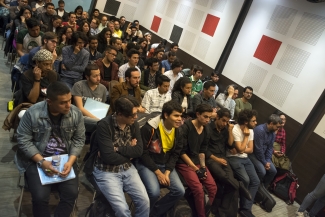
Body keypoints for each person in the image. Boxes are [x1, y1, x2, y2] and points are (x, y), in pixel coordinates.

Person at [15, 81, 85, 217]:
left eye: (69, 100)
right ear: (49, 102)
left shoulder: (75, 114)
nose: (68, 105)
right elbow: (23, 140)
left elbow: (79, 140)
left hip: (65, 157)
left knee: (71, 194)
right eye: (63, 102)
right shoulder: (33, 113)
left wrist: (70, 161)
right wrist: (42, 162)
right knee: (40, 197)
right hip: (38, 158)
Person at [92, 95, 150, 217]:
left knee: (144, 202)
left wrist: (117, 149)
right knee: (122, 210)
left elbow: (139, 151)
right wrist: (129, 153)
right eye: (132, 115)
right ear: (119, 114)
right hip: (107, 170)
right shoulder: (104, 125)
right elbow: (108, 157)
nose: (136, 117)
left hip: (128, 168)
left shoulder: (133, 124)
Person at [137, 100, 185, 216]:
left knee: (179, 191)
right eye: (176, 115)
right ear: (166, 115)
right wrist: (159, 173)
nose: (180, 119)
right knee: (154, 193)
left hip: (165, 164)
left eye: (181, 116)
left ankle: (153, 212)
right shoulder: (149, 128)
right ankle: (143, 213)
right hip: (147, 163)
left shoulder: (178, 130)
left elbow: (175, 154)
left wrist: (167, 172)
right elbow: (142, 153)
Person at [206, 108, 252, 217]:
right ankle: (239, 185)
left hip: (223, 157)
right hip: (212, 158)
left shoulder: (226, 129)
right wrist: (217, 159)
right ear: (217, 117)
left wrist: (230, 131)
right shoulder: (208, 128)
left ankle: (224, 213)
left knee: (231, 185)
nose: (224, 123)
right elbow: (204, 149)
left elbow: (230, 145)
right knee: (225, 177)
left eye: (227, 121)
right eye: (223, 120)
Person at [176, 104, 217, 217]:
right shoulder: (186, 128)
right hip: (185, 162)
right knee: (198, 189)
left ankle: (204, 212)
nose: (208, 120)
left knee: (213, 188)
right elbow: (181, 152)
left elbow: (202, 150)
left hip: (197, 162)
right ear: (198, 114)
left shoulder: (206, 129)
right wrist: (195, 169)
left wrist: (203, 167)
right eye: (205, 117)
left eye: (209, 117)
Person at [227, 109, 260, 217]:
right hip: (234, 158)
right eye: (253, 121)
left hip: (245, 158)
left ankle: (246, 209)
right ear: (246, 121)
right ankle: (240, 204)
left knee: (255, 181)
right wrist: (245, 138)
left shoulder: (251, 130)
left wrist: (241, 148)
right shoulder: (235, 129)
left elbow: (250, 150)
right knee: (246, 180)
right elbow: (240, 149)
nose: (256, 123)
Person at [248, 114, 281, 188]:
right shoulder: (260, 130)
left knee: (273, 171)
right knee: (262, 171)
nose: (278, 129)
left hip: (263, 156)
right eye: (277, 127)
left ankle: (261, 189)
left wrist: (268, 161)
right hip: (254, 154)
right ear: (271, 123)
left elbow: (269, 148)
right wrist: (264, 162)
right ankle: (252, 186)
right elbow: (258, 149)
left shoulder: (272, 133)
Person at [71, 64, 106, 133]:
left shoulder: (103, 88)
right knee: (102, 124)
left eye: (99, 75)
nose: (98, 78)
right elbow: (80, 108)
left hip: (96, 117)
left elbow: (101, 109)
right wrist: (98, 120)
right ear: (87, 77)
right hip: (80, 117)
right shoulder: (79, 86)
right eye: (95, 76)